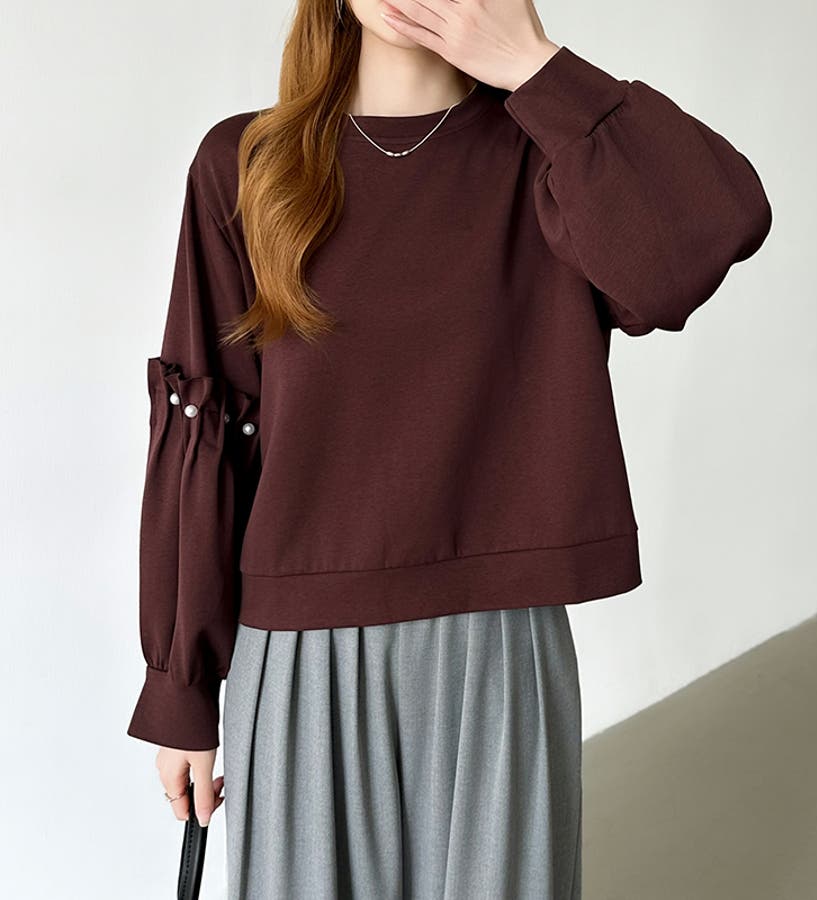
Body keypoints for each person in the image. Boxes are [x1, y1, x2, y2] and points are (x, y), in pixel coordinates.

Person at [126, 0, 773, 897]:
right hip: (301, 647)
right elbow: (206, 428)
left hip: (498, 639)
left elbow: (707, 233)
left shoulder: (553, 156)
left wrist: (537, 66)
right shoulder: (246, 164)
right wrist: (181, 686)